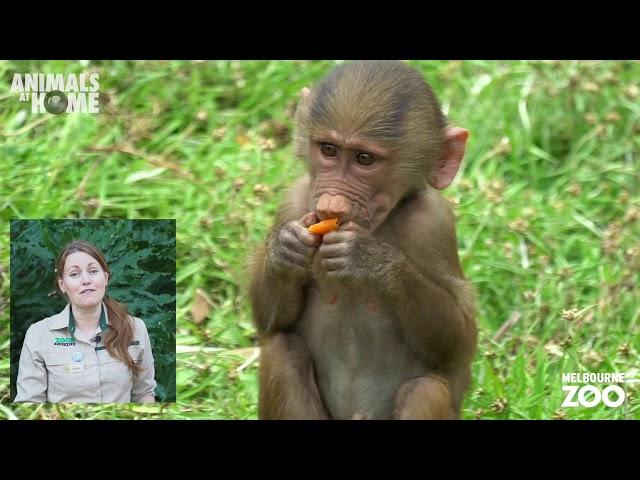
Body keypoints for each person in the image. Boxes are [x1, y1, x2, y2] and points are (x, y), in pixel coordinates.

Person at [15, 240, 156, 403]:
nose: (86, 280)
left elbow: (143, 394)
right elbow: (29, 403)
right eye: (74, 274)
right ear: (62, 285)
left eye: (93, 271)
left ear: (105, 277)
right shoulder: (39, 335)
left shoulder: (135, 328)